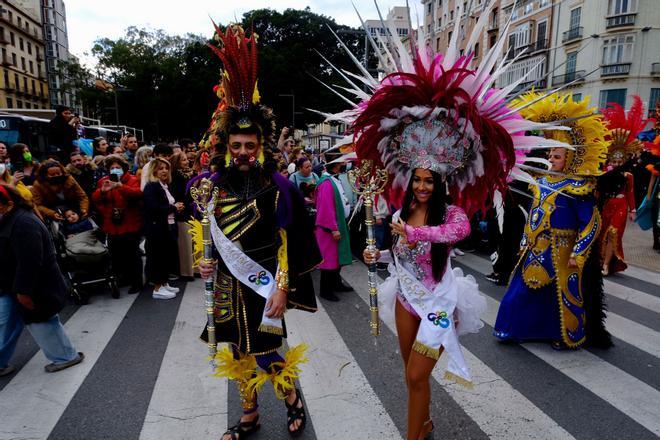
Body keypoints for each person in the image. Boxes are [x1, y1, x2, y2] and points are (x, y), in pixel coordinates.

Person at [196, 25, 321, 439]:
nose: (244, 153)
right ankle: (249, 416)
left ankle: (292, 401)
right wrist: (205, 261)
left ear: (260, 145)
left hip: (265, 281)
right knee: (237, 353)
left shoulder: (279, 185)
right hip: (228, 286)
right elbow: (210, 233)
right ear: (227, 145)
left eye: (250, 145)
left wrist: (283, 287)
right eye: (237, 146)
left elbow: (288, 240)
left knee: (267, 354)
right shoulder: (214, 185)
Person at [494, 92, 611, 350]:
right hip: (536, 247)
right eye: (550, 156)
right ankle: (512, 329)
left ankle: (562, 336)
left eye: (557, 157)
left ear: (569, 158)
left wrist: (578, 254)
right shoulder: (543, 181)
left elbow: (591, 223)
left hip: (563, 250)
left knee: (560, 296)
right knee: (522, 291)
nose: (551, 160)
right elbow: (533, 215)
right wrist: (525, 241)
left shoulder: (578, 187)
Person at [0, 184, 84, 376]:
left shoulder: (23, 223)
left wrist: (23, 292)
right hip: (11, 284)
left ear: (8, 204)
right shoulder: (10, 219)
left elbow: (29, 263)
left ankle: (66, 357)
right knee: (6, 323)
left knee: (41, 320)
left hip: (33, 286)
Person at [597, 96, 650, 275]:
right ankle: (602, 260)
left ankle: (606, 264)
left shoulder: (628, 175)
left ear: (625, 159)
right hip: (606, 205)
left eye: (621, 159)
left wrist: (633, 210)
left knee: (613, 233)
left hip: (621, 205)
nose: (618, 162)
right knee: (602, 233)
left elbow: (631, 193)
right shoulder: (604, 174)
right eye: (615, 159)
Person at [92, 155, 144, 294]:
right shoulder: (104, 181)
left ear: (124, 168)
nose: (115, 170)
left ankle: (136, 282)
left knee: (132, 254)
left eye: (118, 167)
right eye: (112, 168)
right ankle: (122, 278)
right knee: (116, 254)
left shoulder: (132, 180)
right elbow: (96, 200)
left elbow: (137, 194)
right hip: (112, 223)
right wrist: (102, 192)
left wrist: (121, 187)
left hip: (130, 222)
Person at [143, 157, 182, 299]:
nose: (164, 171)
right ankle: (157, 288)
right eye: (161, 168)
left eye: (166, 168)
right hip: (156, 229)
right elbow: (153, 208)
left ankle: (164, 283)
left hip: (167, 226)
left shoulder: (163, 185)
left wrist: (175, 207)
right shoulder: (151, 186)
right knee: (158, 257)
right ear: (154, 170)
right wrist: (173, 207)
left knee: (166, 257)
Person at [315, 159, 352, 301]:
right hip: (329, 229)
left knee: (337, 259)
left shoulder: (332, 180)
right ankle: (325, 291)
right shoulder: (326, 183)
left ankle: (336, 284)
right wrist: (333, 229)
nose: (344, 164)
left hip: (338, 224)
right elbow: (326, 208)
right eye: (342, 162)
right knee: (329, 261)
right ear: (336, 165)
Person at [169, 152, 195, 281]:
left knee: (192, 242)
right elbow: (179, 195)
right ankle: (186, 271)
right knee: (185, 243)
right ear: (177, 163)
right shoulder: (175, 176)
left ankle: (194, 269)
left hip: (190, 211)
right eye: (183, 160)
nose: (187, 162)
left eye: (186, 159)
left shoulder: (189, 174)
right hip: (182, 212)